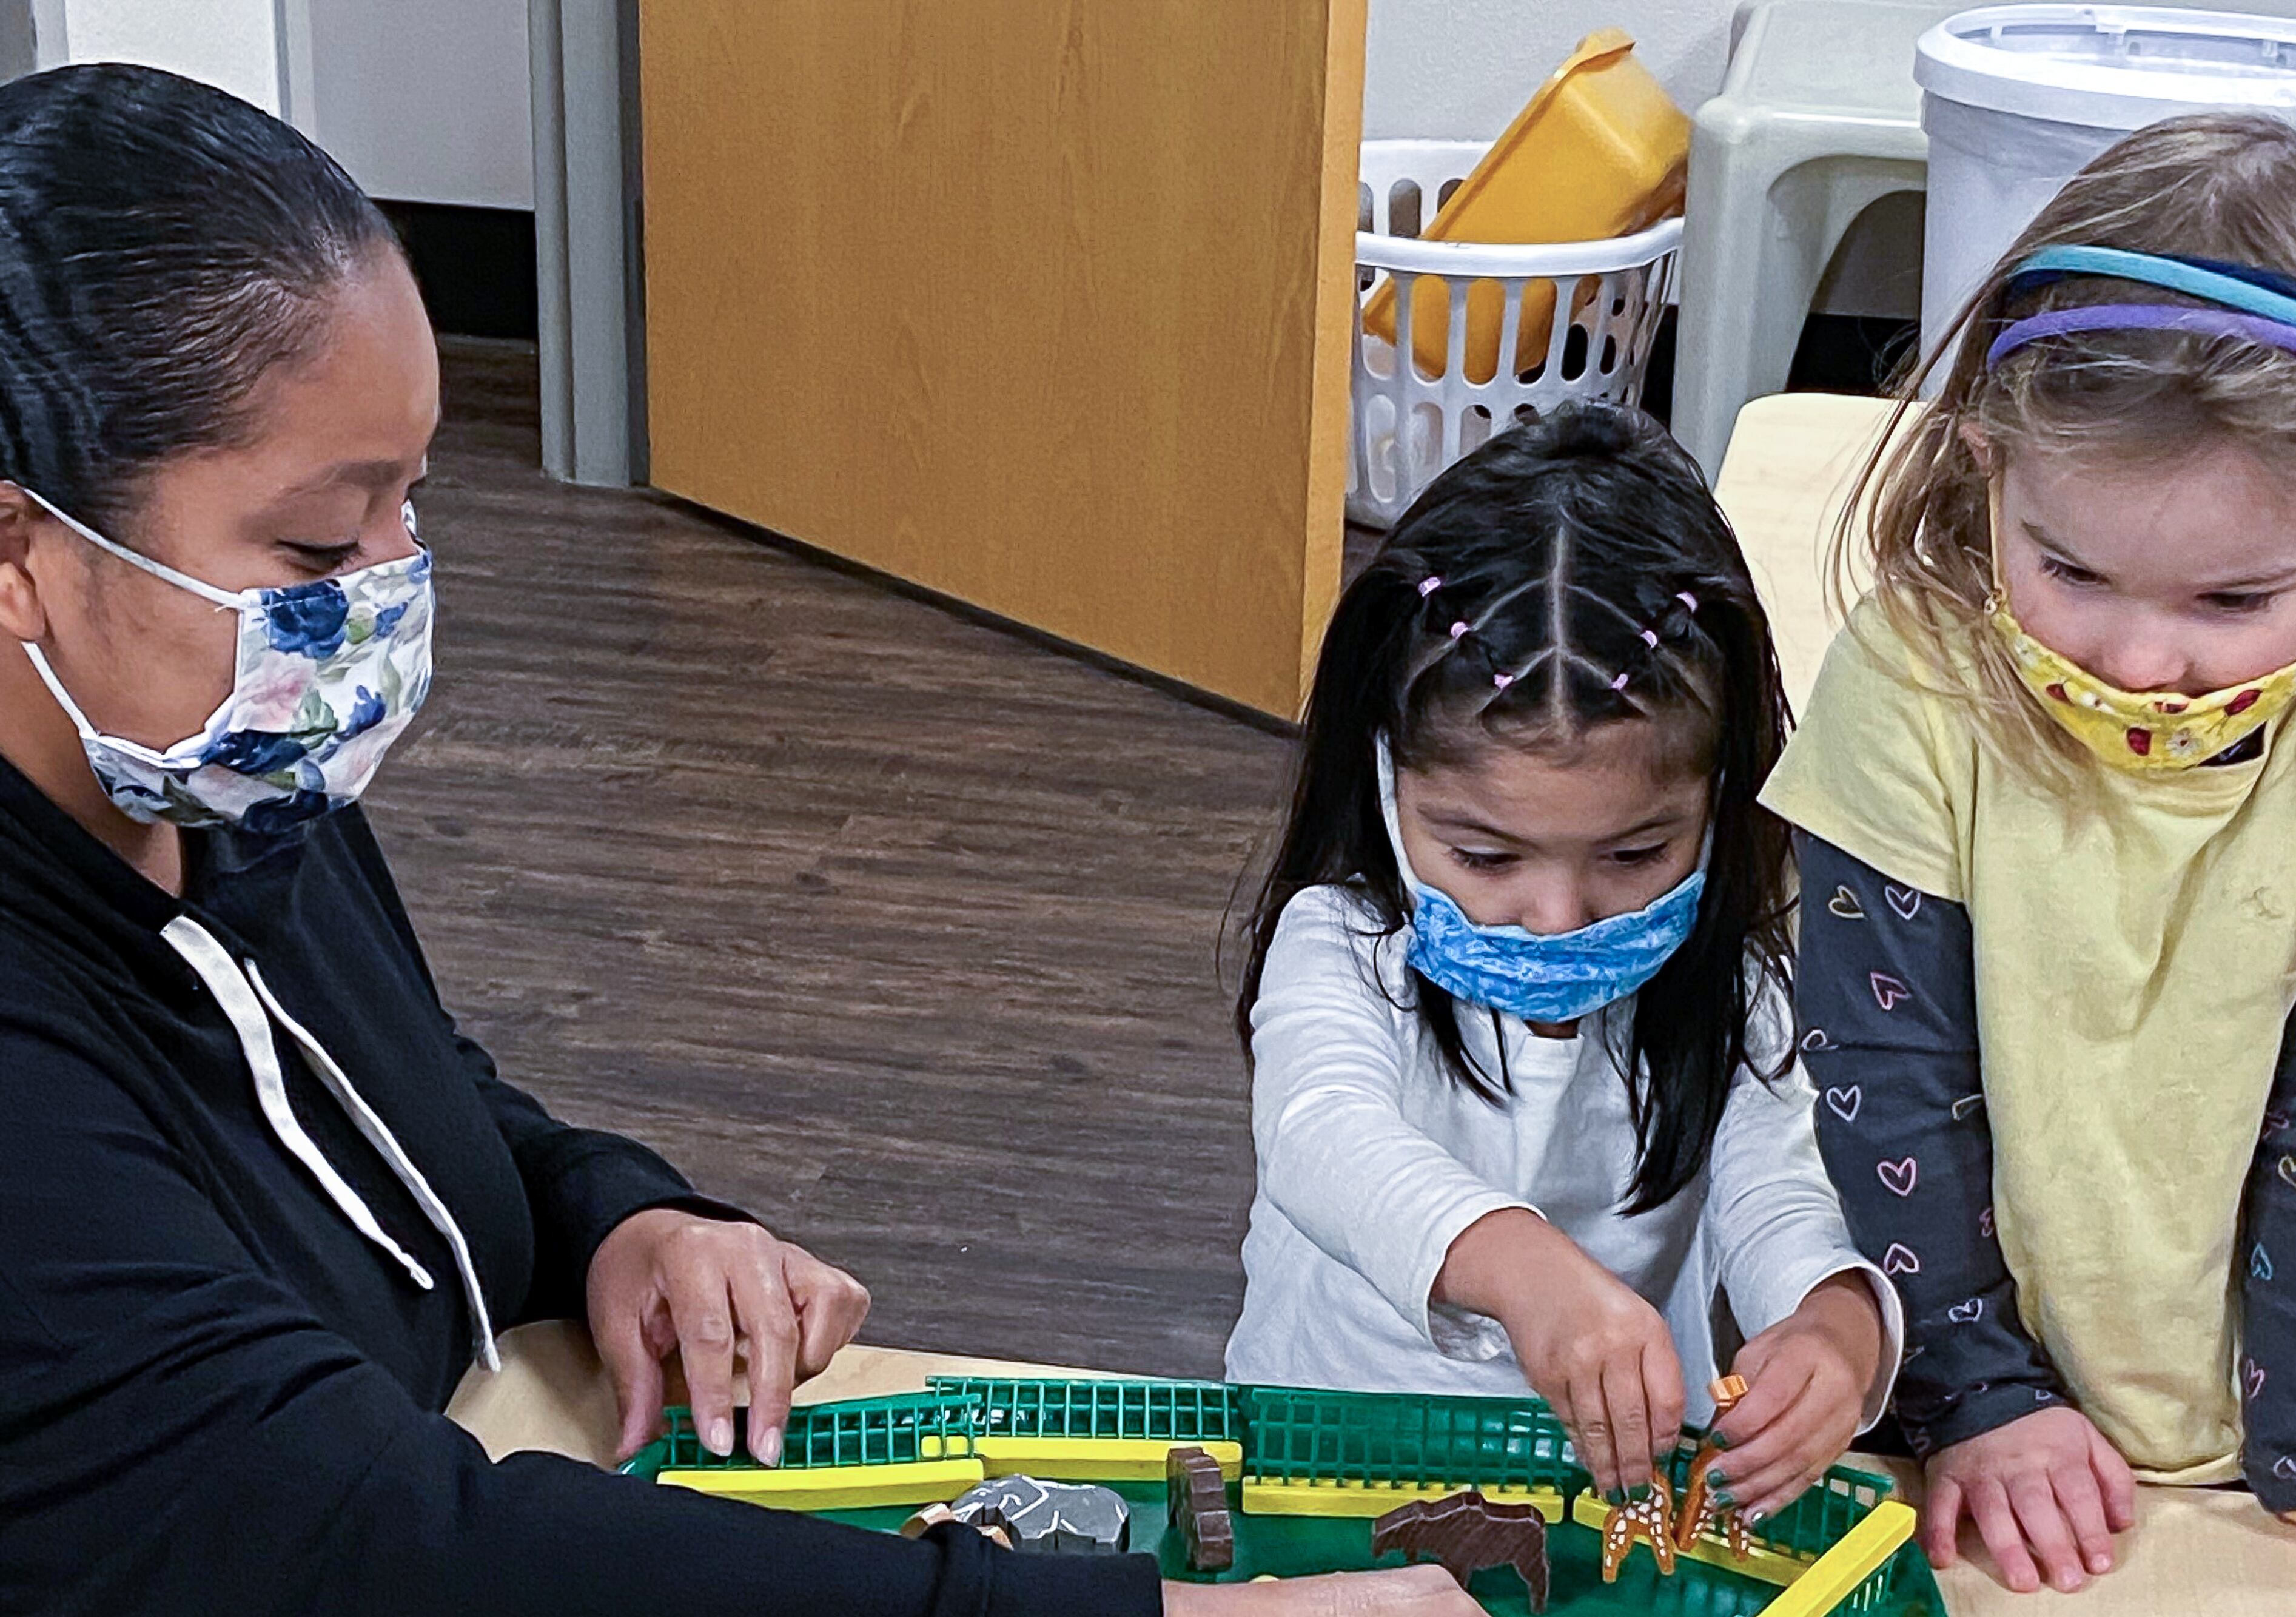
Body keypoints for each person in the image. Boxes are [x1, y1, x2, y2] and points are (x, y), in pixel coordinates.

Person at [0, 63, 1484, 1617]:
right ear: (26, 549)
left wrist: (618, 1217)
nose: (388, 588)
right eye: (318, 541)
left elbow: (403, 1107)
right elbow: (384, 1542)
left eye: (410, 502)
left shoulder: (216, 786)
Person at [1764, 113, 2296, 1595]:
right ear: (1985, 465)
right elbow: (1883, 1086)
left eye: (2231, 599)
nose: (2138, 658)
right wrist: (1976, 1391)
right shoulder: (1915, 681)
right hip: (1962, 1372)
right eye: (2065, 566)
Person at [1224, 403, 1901, 1525]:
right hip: (1324, 1455)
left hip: (1602, 1489)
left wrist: (1833, 1323)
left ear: (1724, 805)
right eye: (1483, 853)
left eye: (1637, 852)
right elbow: (1320, 1132)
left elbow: (1779, 1192)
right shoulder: (1343, 942)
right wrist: (1521, 1266)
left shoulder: (1735, 984)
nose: (1555, 916)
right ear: (1388, 784)